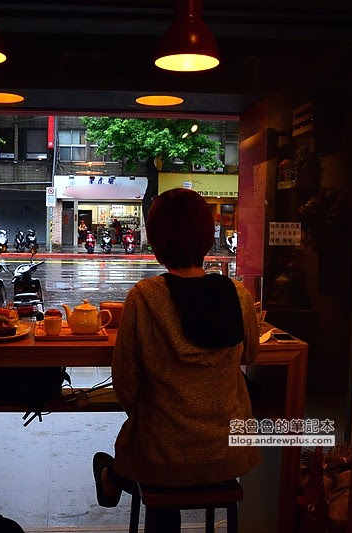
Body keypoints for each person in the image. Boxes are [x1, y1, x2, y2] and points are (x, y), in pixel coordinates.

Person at [93, 188, 260, 532]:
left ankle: (112, 477)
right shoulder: (239, 295)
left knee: (151, 449)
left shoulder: (144, 297)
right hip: (227, 452)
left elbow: (124, 381)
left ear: (156, 241)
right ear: (206, 235)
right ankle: (115, 474)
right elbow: (252, 355)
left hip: (164, 454)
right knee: (157, 448)